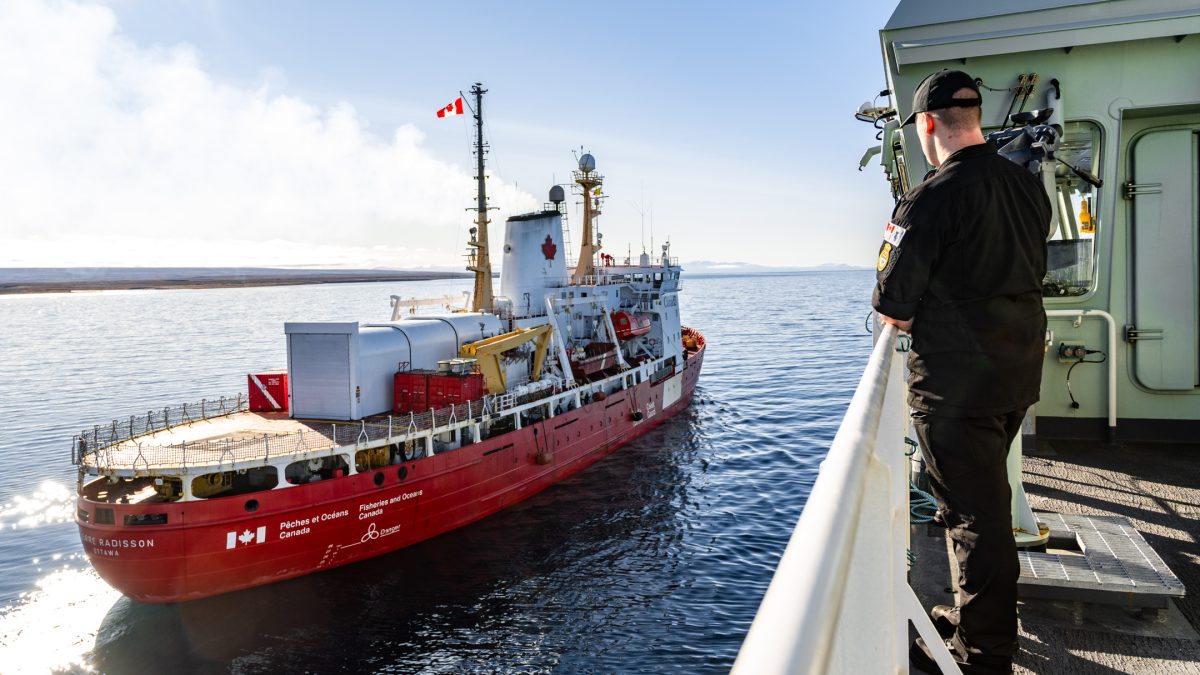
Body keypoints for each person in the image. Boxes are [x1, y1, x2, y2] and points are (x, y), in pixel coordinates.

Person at [872, 69, 1051, 674]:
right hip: (1016, 375)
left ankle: (984, 659)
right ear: (975, 118)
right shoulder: (1025, 187)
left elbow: (891, 302)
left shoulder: (932, 196)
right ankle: (976, 627)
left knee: (976, 521)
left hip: (955, 390)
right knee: (985, 507)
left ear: (927, 124)